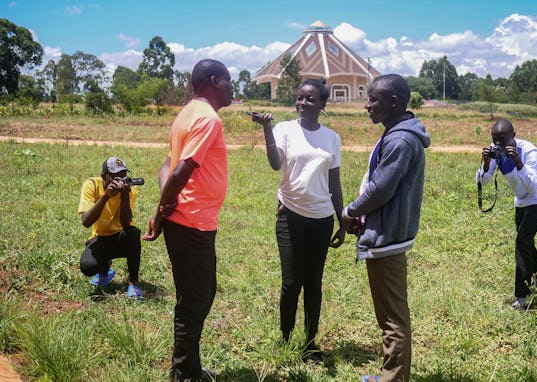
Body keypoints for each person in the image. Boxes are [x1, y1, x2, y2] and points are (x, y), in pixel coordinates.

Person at [142, 59, 234, 382]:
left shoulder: (186, 114)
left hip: (187, 221)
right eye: (228, 80)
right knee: (195, 299)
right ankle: (183, 374)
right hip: (192, 223)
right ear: (213, 81)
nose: (232, 87)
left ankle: (188, 368)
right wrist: (159, 211)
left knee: (199, 294)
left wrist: (163, 209)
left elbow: (165, 166)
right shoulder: (208, 119)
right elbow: (179, 171)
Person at [341, 74, 430, 382]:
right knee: (391, 315)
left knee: (392, 319)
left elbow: (380, 190)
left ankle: (392, 379)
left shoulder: (400, 139)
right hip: (387, 232)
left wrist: (350, 211)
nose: (367, 105)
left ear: (393, 102)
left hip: (387, 239)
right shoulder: (397, 134)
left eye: (373, 99)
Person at [253, 78, 345, 363]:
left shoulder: (331, 138)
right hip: (289, 214)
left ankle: (310, 343)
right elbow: (274, 163)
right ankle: (285, 337)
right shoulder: (284, 129)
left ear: (323, 105)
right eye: (300, 98)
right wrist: (268, 129)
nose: (303, 103)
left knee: (313, 283)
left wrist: (342, 220)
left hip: (321, 218)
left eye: (310, 99)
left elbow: (334, 182)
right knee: (291, 282)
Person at [476, 118, 537, 311]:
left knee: (522, 241)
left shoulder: (528, 150)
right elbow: (483, 182)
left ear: (514, 136)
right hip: (521, 198)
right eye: (495, 139)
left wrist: (518, 162)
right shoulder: (496, 152)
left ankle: (522, 297)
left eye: (503, 139)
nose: (498, 144)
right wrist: (486, 164)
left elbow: (533, 186)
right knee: (526, 239)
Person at [77, 156, 143, 300]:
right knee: (88, 267)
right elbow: (86, 222)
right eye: (114, 177)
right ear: (103, 177)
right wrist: (105, 196)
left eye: (123, 176)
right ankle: (105, 269)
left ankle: (133, 280)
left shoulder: (129, 188)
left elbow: (126, 223)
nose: (120, 181)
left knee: (133, 233)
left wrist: (124, 195)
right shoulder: (92, 185)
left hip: (121, 236)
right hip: (99, 237)